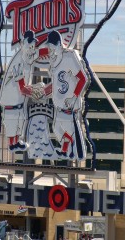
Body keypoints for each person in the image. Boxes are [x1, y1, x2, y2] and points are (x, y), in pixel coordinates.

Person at [43, 30, 89, 160]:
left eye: (51, 46)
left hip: (70, 105)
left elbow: (83, 79)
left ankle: (74, 151)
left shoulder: (69, 56)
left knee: (72, 131)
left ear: (58, 44)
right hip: (59, 104)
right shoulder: (54, 61)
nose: (50, 49)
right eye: (49, 47)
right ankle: (66, 150)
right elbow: (57, 84)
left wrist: (74, 97)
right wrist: (43, 92)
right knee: (57, 129)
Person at [0, 30, 46, 152]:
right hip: (11, 102)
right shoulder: (18, 61)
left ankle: (17, 142)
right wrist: (38, 90)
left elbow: (39, 53)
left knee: (20, 121)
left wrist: (55, 51)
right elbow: (22, 88)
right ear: (22, 44)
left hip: (19, 101)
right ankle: (12, 144)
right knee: (12, 124)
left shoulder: (27, 55)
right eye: (29, 44)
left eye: (33, 45)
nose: (32, 47)